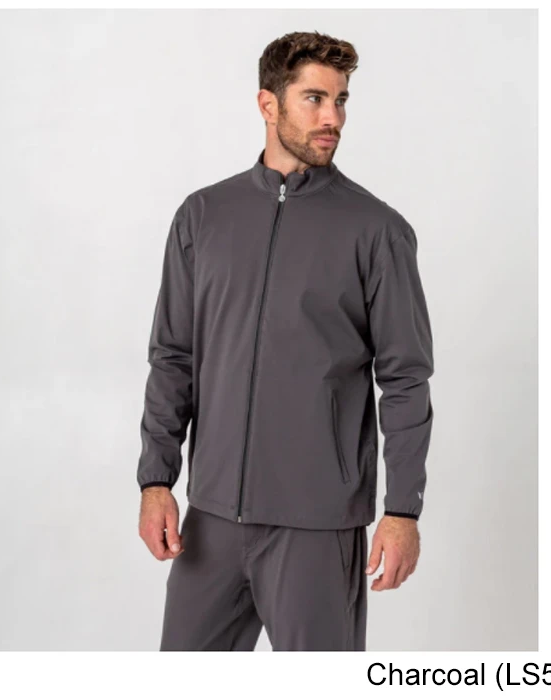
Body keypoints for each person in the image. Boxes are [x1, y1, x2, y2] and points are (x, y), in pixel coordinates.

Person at [136, 30, 434, 651]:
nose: (334, 118)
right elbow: (173, 357)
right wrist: (156, 479)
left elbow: (405, 378)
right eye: (315, 99)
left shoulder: (376, 230)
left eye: (341, 100)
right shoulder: (203, 216)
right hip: (211, 520)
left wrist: (402, 510)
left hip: (317, 526)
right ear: (267, 104)